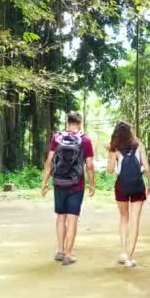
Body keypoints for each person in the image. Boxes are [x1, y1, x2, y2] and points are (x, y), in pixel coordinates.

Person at [41, 111, 95, 266]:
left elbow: (49, 161)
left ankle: (60, 250)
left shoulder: (56, 138)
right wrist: (92, 185)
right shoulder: (85, 140)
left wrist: (44, 182)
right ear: (80, 123)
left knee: (60, 217)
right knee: (72, 219)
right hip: (76, 184)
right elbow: (89, 165)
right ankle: (69, 254)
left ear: (68, 122)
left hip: (59, 183)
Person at [106, 122, 150, 268]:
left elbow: (109, 169)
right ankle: (130, 258)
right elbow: (146, 168)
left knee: (124, 218)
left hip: (121, 186)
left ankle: (123, 251)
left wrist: (118, 170)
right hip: (138, 185)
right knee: (135, 220)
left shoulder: (115, 148)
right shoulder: (139, 145)